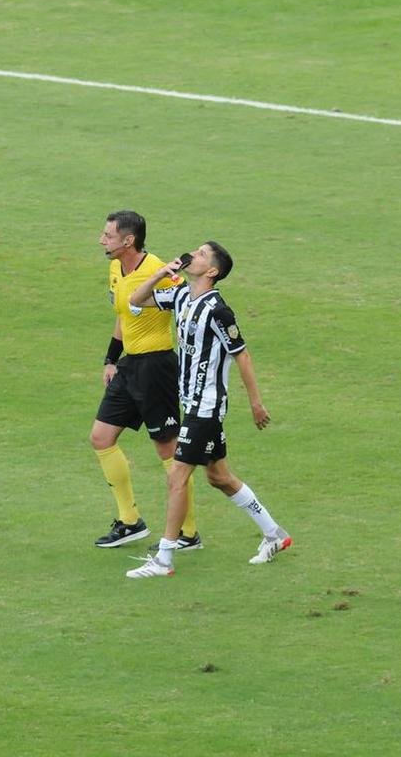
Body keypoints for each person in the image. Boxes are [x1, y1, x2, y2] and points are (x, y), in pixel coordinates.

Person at [123, 241, 292, 578]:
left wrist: (256, 403)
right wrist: (160, 272)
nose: (193, 255)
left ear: (212, 271)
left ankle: (165, 559)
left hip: (207, 406)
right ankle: (276, 534)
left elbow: (241, 354)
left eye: (201, 254)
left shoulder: (218, 311)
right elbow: (135, 300)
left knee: (178, 475)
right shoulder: (182, 295)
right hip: (192, 404)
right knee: (219, 477)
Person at [90, 211, 201, 549]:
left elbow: (189, 303)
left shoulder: (157, 271)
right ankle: (130, 521)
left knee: (168, 449)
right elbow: (123, 317)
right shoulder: (115, 268)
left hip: (157, 368)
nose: (101, 240)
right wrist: (111, 358)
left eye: (108, 235)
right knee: (101, 437)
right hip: (129, 366)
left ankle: (188, 533)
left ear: (129, 241)